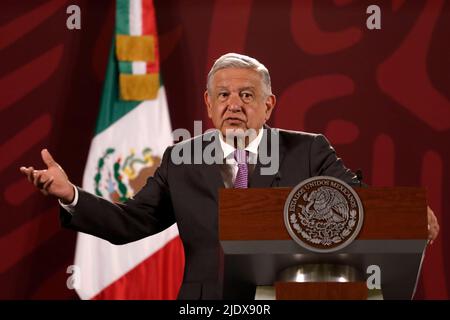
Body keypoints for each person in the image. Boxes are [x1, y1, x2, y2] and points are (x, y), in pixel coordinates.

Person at [20, 53, 439, 300]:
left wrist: (405, 217)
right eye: (223, 95)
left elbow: (356, 204)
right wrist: (71, 194)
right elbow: (131, 223)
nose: (234, 104)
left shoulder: (309, 150)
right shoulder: (180, 159)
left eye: (246, 95)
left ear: (269, 104)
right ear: (208, 103)